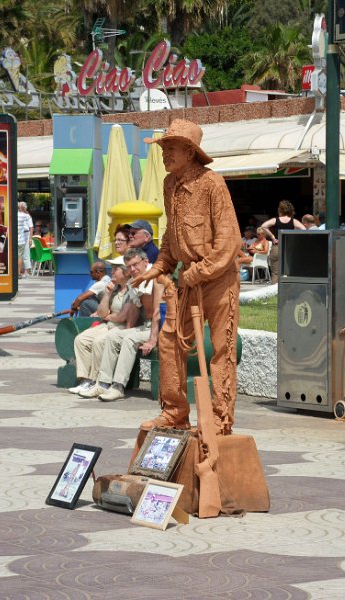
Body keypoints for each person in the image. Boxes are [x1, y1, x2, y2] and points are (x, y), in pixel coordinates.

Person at [133, 119, 242, 434]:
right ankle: (175, 412)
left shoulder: (212, 184)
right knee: (169, 342)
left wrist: (199, 271)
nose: (165, 154)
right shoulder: (170, 185)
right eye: (163, 148)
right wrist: (160, 265)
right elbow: (172, 234)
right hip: (186, 281)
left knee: (222, 349)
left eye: (171, 148)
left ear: (191, 152)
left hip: (218, 280)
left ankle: (220, 420)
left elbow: (229, 241)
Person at [96, 247, 164, 402]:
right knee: (114, 336)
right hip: (144, 327)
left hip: (161, 329)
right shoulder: (135, 281)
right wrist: (128, 331)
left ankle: (118, 386)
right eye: (129, 267)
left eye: (135, 265)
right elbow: (134, 309)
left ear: (145, 262)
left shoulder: (157, 278)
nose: (132, 269)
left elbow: (157, 313)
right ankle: (103, 384)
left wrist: (153, 340)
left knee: (130, 339)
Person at [69, 256, 135, 395]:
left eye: (116, 269)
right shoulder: (113, 288)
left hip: (122, 327)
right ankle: (86, 380)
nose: (112, 272)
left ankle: (97, 381)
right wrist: (107, 294)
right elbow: (101, 312)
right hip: (109, 324)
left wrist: (108, 316)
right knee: (81, 340)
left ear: (126, 272)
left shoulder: (132, 289)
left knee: (99, 342)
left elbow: (123, 317)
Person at [261, 200, 305, 284]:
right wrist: (293, 237)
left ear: (280, 210)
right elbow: (303, 229)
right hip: (289, 248)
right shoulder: (293, 221)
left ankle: (273, 294)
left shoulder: (275, 220)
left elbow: (264, 226)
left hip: (277, 247)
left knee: (275, 273)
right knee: (287, 272)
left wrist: (272, 237)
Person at [18, 201, 33, 277]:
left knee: (25, 253)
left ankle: (27, 271)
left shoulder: (26, 216)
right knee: (21, 254)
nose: (19, 208)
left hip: (26, 234)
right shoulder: (19, 215)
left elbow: (31, 227)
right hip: (20, 234)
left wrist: (30, 238)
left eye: (20, 207)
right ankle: (22, 270)